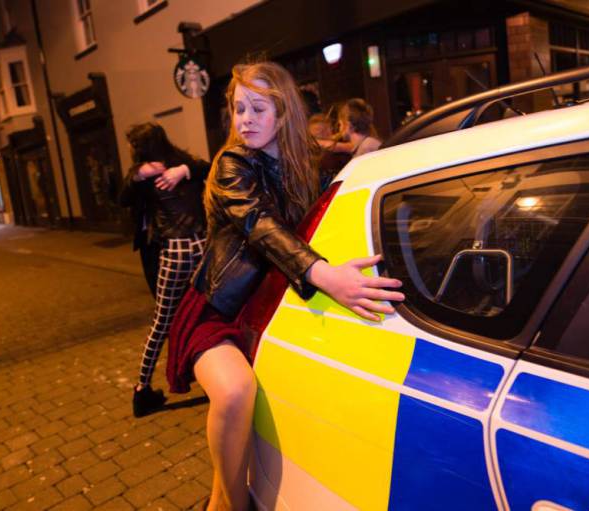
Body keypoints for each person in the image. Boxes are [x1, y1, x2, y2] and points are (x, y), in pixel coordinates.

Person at [166, 62, 404, 511]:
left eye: (258, 108)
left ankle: (223, 502)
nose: (246, 120)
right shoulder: (232, 164)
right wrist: (326, 275)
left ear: (284, 112)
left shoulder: (305, 164)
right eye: (239, 109)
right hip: (216, 312)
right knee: (235, 392)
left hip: (269, 310)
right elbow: (261, 226)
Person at [122, 123, 210, 418]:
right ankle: (221, 373)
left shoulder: (151, 173)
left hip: (176, 250)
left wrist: (138, 175)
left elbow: (121, 198)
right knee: (214, 311)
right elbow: (208, 167)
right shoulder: (181, 162)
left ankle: (142, 389)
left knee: (162, 322)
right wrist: (184, 169)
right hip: (203, 245)